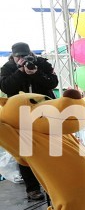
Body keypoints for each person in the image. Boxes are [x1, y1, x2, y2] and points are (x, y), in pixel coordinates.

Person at [0, 42, 59, 200]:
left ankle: (53, 185)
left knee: (51, 149)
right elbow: (6, 87)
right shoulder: (7, 68)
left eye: (24, 55)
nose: (22, 58)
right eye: (18, 56)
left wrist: (35, 73)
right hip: (22, 114)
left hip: (44, 111)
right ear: (13, 56)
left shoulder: (41, 63)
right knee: (26, 152)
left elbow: (53, 83)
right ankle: (32, 188)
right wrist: (20, 72)